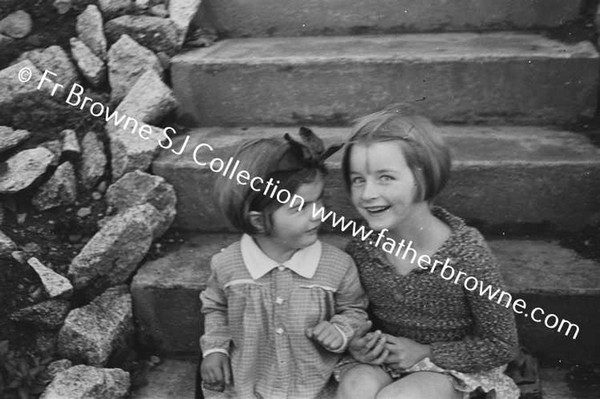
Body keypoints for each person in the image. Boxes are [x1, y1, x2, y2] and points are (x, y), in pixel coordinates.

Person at [335, 108, 520, 399]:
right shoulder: (363, 246)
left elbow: (501, 343)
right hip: (388, 361)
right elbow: (358, 313)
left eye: (385, 177)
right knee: (355, 388)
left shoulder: (466, 254)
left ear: (423, 178)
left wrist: (425, 352)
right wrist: (358, 342)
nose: (367, 193)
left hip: (448, 367)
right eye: (358, 179)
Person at [199, 128, 369, 399]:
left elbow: (355, 310)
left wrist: (340, 329)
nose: (318, 214)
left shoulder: (336, 266)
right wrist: (215, 349)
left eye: (319, 200)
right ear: (258, 220)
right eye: (300, 207)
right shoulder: (227, 265)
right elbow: (215, 308)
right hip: (248, 386)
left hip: (312, 388)